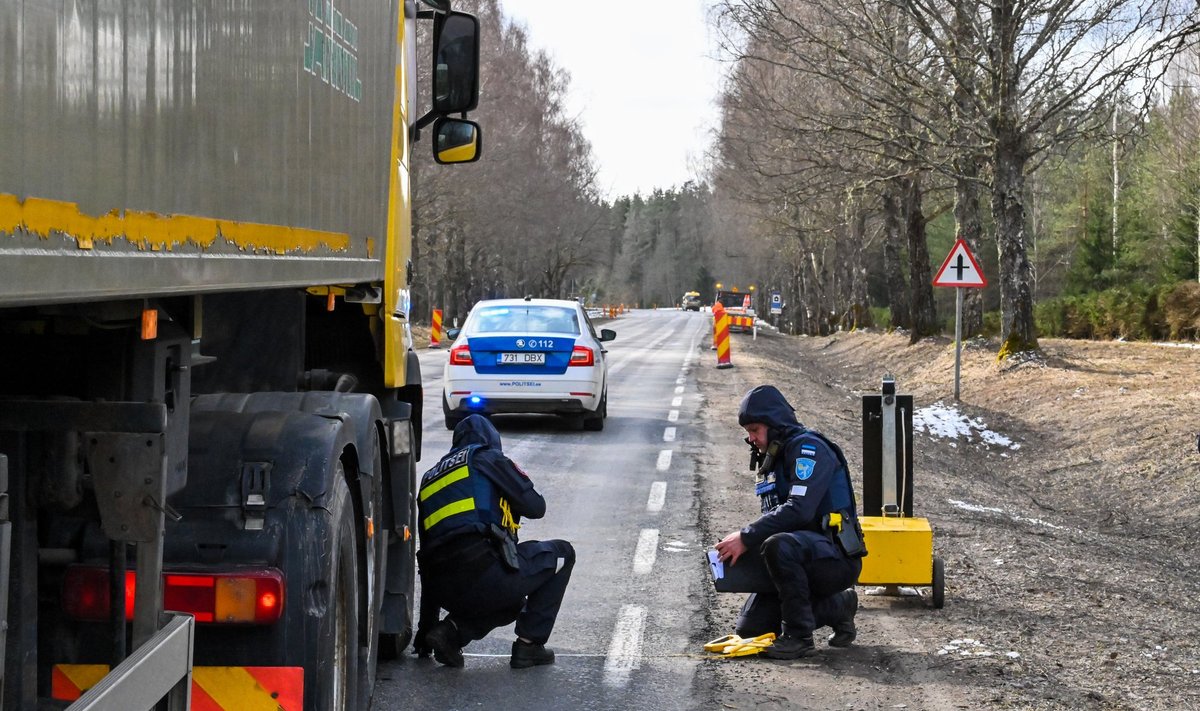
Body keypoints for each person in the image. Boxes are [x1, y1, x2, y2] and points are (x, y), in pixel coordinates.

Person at [713, 385, 866, 659]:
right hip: (798, 555)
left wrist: (746, 537)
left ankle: (799, 637)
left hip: (834, 557)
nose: (752, 439)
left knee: (777, 545)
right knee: (750, 631)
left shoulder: (809, 449)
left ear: (774, 424)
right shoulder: (776, 455)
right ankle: (838, 606)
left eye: (755, 430)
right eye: (748, 432)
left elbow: (799, 511)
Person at [414, 414, 576, 669]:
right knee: (563, 554)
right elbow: (536, 506)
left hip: (442, 588)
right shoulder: (486, 457)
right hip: (483, 575)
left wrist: (426, 628)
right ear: (492, 440)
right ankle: (529, 646)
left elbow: (428, 556)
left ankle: (449, 632)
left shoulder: (429, 479)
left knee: (512, 603)